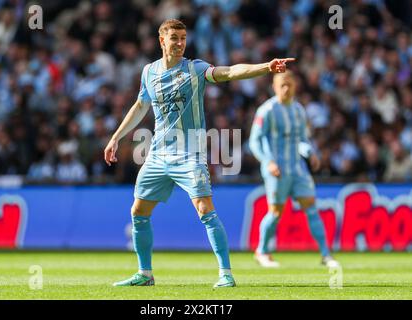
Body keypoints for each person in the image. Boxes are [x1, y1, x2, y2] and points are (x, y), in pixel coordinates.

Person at [104, 19, 295, 287]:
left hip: (189, 153)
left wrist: (266, 67)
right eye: (174, 38)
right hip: (158, 154)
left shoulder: (195, 69)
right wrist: (116, 137)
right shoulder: (148, 72)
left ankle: (226, 274)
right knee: (138, 211)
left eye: (183, 38)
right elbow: (140, 105)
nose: (180, 43)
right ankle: (145, 274)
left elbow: (229, 72)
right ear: (162, 41)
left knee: (205, 209)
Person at [249, 71, 339, 268]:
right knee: (276, 212)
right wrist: (267, 161)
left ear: (295, 86)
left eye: (289, 84)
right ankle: (262, 251)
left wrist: (310, 153)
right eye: (282, 84)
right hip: (277, 169)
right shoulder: (267, 110)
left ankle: (326, 254)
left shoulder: (298, 109)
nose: (286, 88)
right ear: (274, 86)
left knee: (311, 207)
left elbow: (301, 140)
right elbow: (254, 141)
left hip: (297, 168)